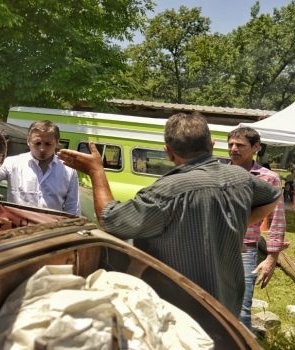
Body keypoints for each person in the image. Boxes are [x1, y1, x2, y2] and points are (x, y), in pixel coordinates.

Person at [56, 113, 282, 317]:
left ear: (168, 152)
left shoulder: (166, 191)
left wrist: (96, 171)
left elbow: (111, 221)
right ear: (211, 145)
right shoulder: (239, 177)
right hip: (227, 308)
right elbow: (273, 196)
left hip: (182, 314)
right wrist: (233, 224)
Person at [227, 127, 289, 330]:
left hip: (246, 248)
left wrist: (272, 257)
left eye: (240, 145)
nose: (234, 149)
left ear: (255, 147)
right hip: (214, 246)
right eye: (231, 144)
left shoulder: (268, 178)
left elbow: (277, 220)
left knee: (242, 309)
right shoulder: (219, 173)